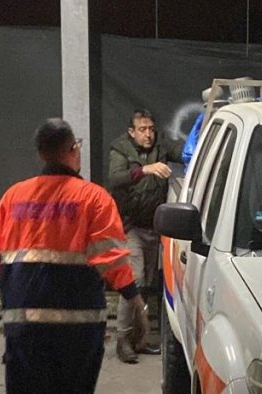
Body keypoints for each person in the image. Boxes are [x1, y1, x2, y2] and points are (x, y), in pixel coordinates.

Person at [0, 118, 150, 393]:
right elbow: (112, 260)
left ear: (40, 154)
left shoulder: (13, 197)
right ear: (74, 150)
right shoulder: (95, 198)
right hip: (79, 329)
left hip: (24, 326)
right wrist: (135, 304)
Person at [108, 109, 183, 363]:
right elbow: (115, 178)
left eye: (151, 128)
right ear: (131, 132)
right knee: (135, 280)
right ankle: (123, 339)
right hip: (130, 228)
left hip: (154, 228)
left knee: (147, 283)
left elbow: (185, 151)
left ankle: (139, 341)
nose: (148, 134)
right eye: (142, 129)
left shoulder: (161, 146)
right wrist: (145, 169)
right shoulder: (120, 150)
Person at [182, 86, 229, 170]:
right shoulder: (202, 122)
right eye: (213, 106)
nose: (216, 109)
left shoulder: (232, 116)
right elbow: (189, 154)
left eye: (218, 106)